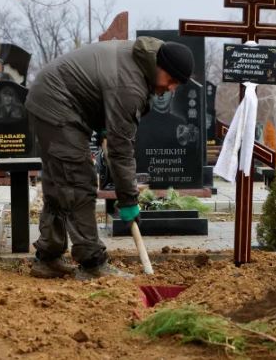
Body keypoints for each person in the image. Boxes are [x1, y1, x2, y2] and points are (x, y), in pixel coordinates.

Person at [25, 37, 194, 279]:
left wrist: (105, 124)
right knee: (77, 183)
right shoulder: (130, 86)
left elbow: (105, 100)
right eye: (172, 80)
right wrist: (128, 200)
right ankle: (92, 263)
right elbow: (120, 150)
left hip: (53, 97)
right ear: (160, 67)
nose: (172, 88)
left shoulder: (146, 60)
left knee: (61, 183)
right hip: (56, 102)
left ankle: (48, 257)